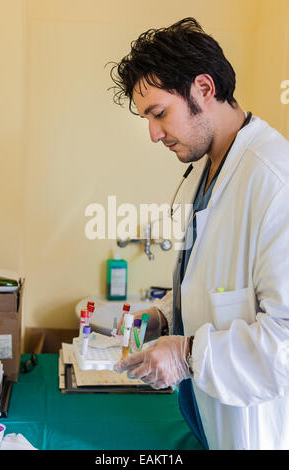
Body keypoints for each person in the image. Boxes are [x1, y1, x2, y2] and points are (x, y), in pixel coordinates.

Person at [109, 17, 289, 450]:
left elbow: (283, 342)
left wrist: (185, 354)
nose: (153, 134)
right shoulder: (208, 168)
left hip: (253, 427)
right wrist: (164, 317)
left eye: (159, 113)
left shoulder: (274, 179)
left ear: (204, 89)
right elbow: (213, 283)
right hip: (206, 417)